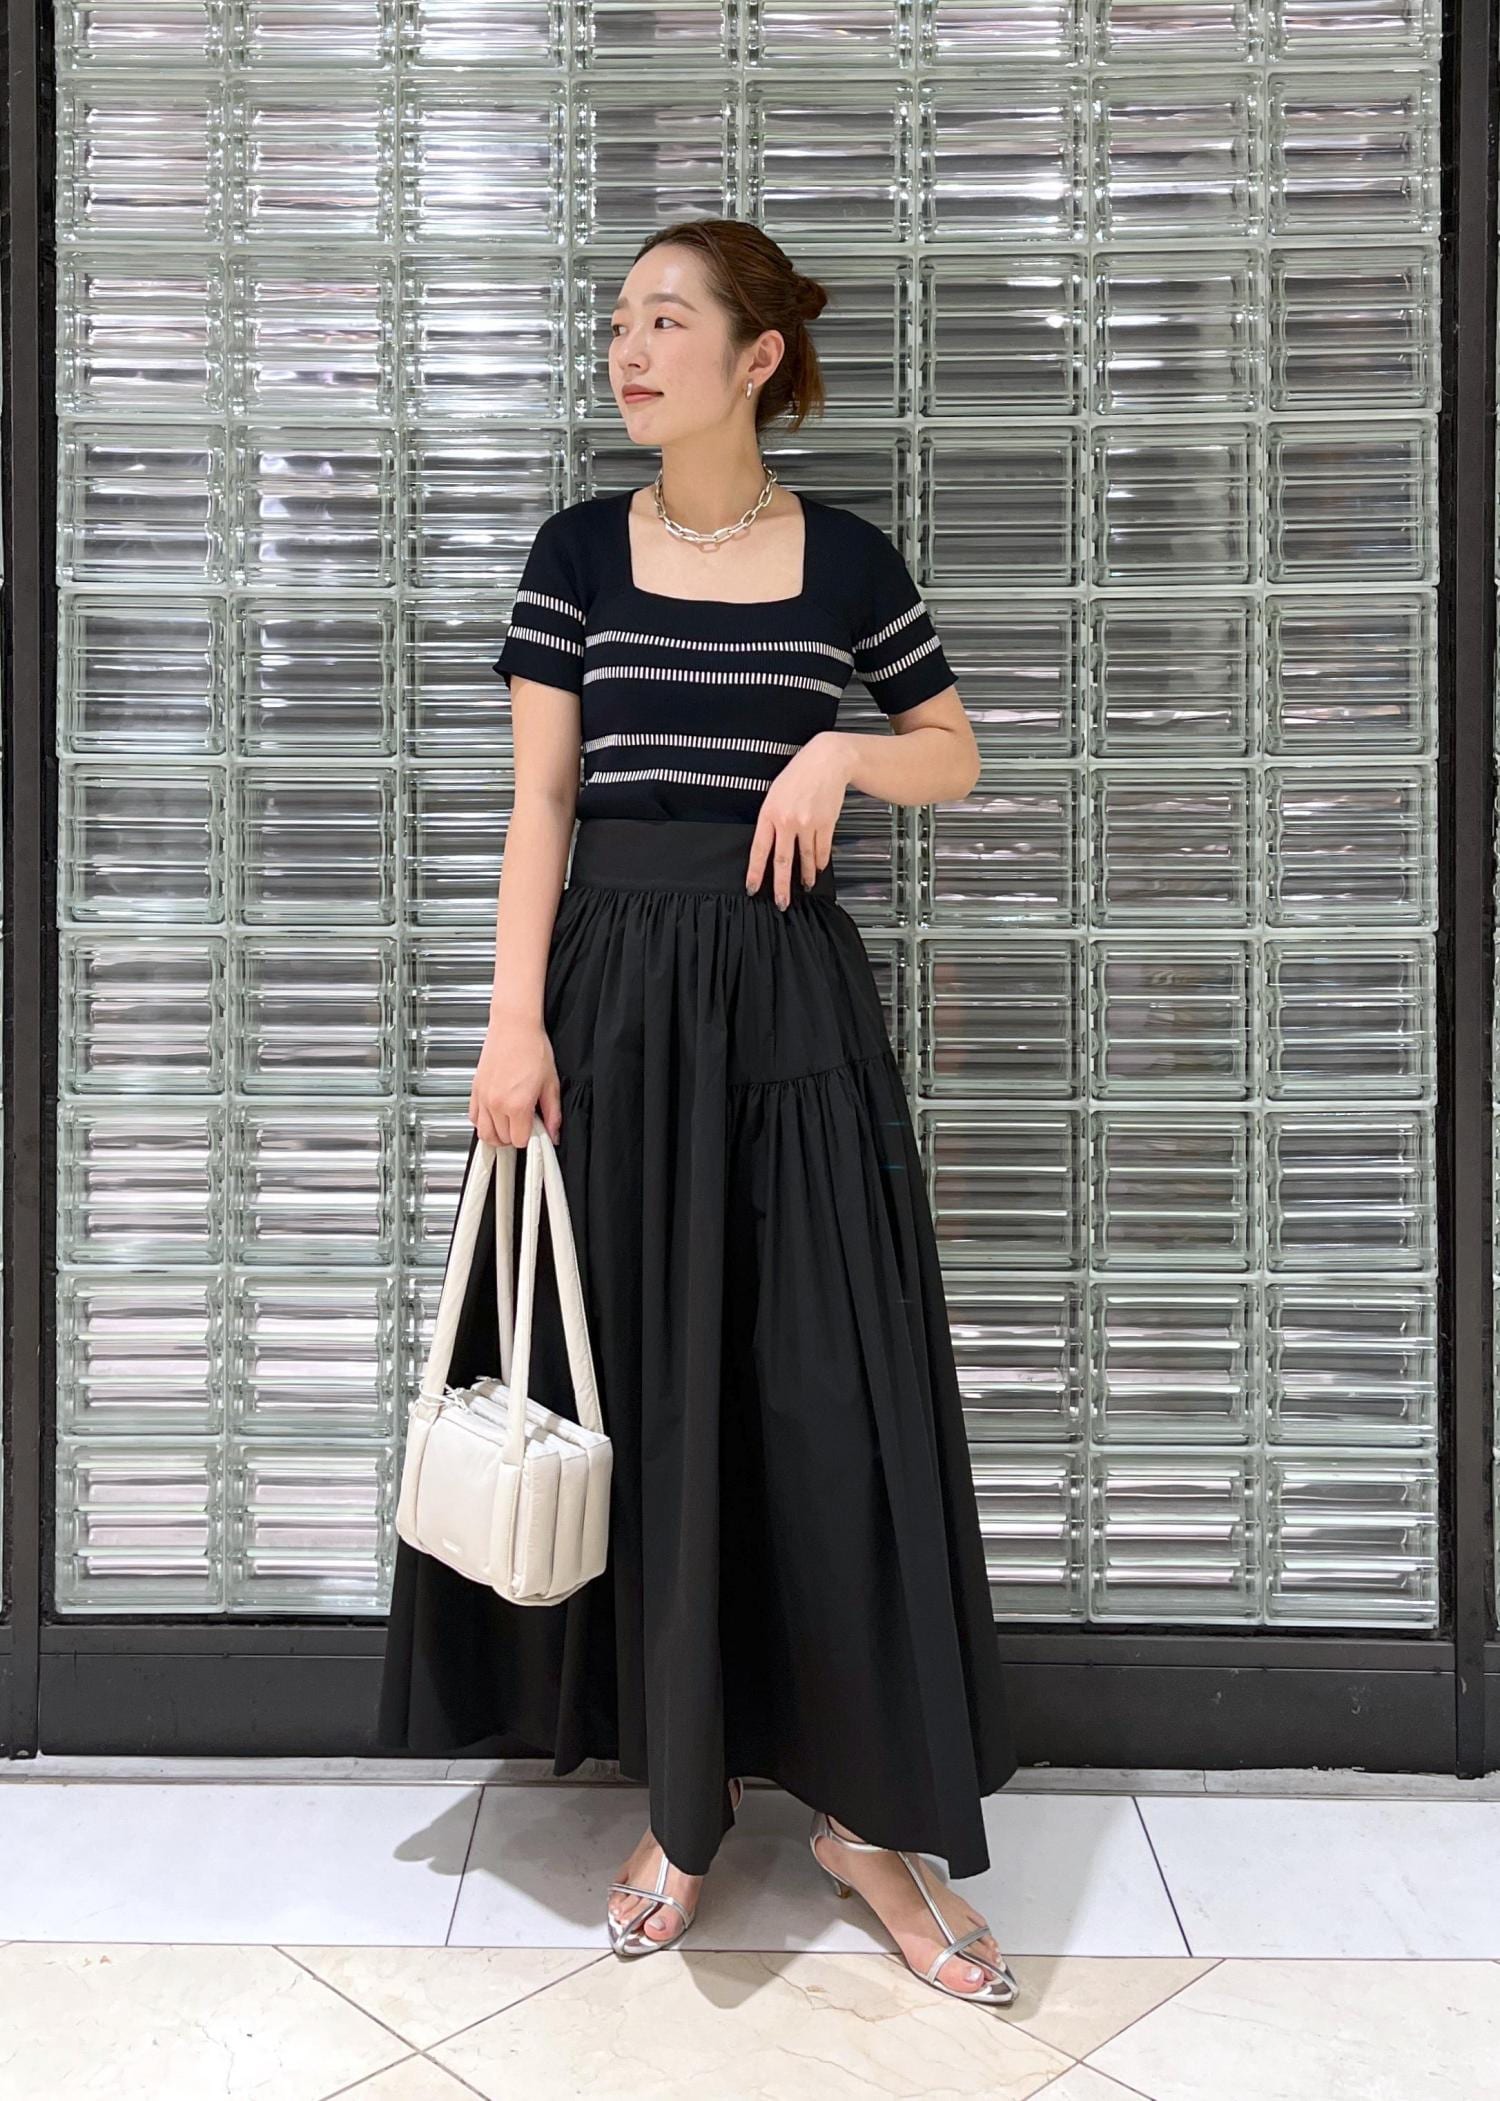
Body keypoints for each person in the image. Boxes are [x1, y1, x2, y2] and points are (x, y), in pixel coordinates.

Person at [376, 215, 1019, 2007]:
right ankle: (683, 1802)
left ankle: (866, 1819)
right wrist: (513, 1027)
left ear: (757, 356)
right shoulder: (578, 550)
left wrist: (842, 748)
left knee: (826, 1398)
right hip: (610, 1012)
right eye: (619, 321)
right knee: (646, 1389)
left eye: (667, 319)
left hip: (790, 1008)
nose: (630, 349)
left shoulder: (847, 557)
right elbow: (541, 807)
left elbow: (955, 749)